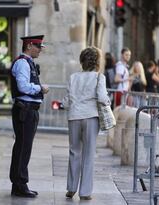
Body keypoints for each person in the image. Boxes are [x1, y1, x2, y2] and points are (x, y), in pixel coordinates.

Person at [61, 47, 110, 200]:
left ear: (82, 61)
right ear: (97, 62)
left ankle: (71, 188)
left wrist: (62, 105)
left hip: (74, 116)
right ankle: (85, 192)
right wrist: (108, 101)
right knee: (88, 154)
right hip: (91, 117)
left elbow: (67, 100)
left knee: (74, 152)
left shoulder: (73, 77)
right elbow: (102, 98)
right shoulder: (99, 77)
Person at [9, 35, 49, 198]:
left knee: (23, 147)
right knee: (23, 147)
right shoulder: (22, 63)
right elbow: (23, 86)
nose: (40, 50)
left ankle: (19, 183)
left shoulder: (27, 62)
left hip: (29, 109)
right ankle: (20, 184)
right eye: (38, 47)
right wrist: (40, 88)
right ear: (29, 46)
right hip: (24, 110)